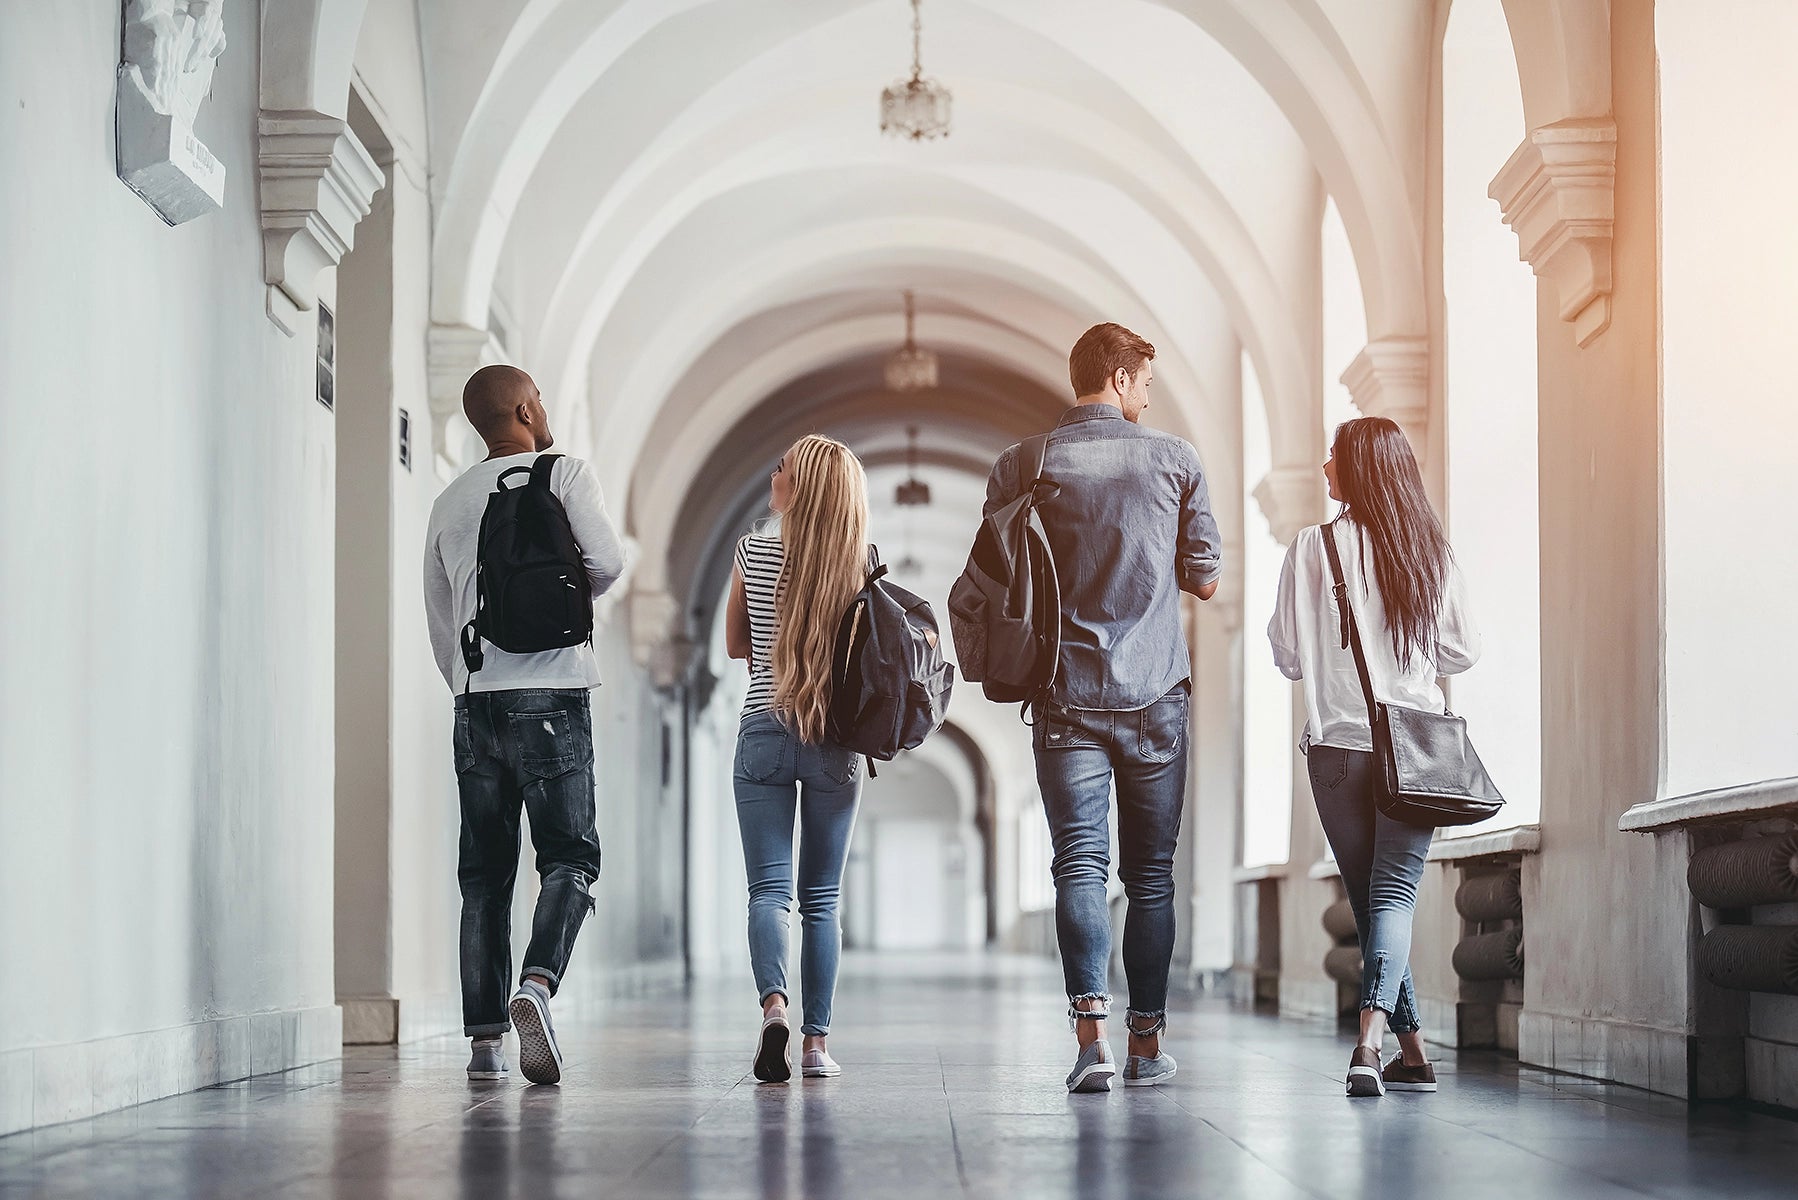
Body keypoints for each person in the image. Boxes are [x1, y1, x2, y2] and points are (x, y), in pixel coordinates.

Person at [983, 323, 1223, 1093]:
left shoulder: (1022, 463)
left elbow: (999, 575)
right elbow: (1206, 578)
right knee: (1151, 877)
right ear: (1120, 379)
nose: (1147, 399)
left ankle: (1092, 1042)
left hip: (1064, 696)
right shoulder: (1175, 459)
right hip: (1155, 695)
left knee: (1077, 866)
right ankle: (1147, 1047)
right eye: (1145, 385)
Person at [423, 364, 625, 1085]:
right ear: (523, 407)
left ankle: (483, 1046)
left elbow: (440, 617)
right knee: (570, 856)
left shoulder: (448, 499)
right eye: (536, 396)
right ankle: (535, 986)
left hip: (476, 700)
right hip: (554, 691)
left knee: (483, 874)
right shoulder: (563, 474)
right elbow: (608, 562)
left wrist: (473, 679)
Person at [1268, 416, 1479, 1098]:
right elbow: (1461, 652)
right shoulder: (1428, 551)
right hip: (1414, 749)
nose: (1325, 465)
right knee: (1386, 900)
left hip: (1336, 752)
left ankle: (1384, 1046)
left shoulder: (1310, 548)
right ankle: (1390, 1047)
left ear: (1359, 469)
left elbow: (1289, 657)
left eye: (1334, 455)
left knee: (1371, 901)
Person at [724, 434, 871, 1083]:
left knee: (768, 892)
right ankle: (815, 1045)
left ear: (800, 488)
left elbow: (736, 646)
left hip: (762, 728)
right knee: (821, 899)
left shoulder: (751, 550)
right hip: (834, 740)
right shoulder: (860, 562)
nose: (772, 472)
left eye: (781, 466)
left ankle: (774, 1009)